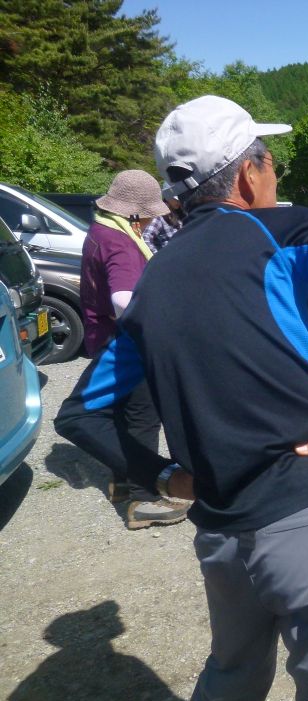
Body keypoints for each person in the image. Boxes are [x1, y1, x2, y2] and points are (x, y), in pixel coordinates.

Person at [55, 94, 308, 701]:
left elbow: (78, 414)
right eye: (271, 162)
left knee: (228, 685)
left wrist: (167, 476)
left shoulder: (154, 280)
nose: (275, 177)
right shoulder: (276, 231)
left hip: (222, 534)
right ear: (251, 173)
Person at [79, 169, 188, 529]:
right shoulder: (121, 242)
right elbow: (125, 299)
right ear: (135, 213)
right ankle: (143, 499)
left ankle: (122, 482)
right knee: (143, 415)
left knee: (121, 412)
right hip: (126, 341)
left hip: (104, 336)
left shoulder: (101, 230)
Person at [142, 186, 184, 254]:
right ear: (167, 197)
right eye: (175, 199)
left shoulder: (180, 212)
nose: (178, 201)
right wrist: (157, 255)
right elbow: (146, 237)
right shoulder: (159, 216)